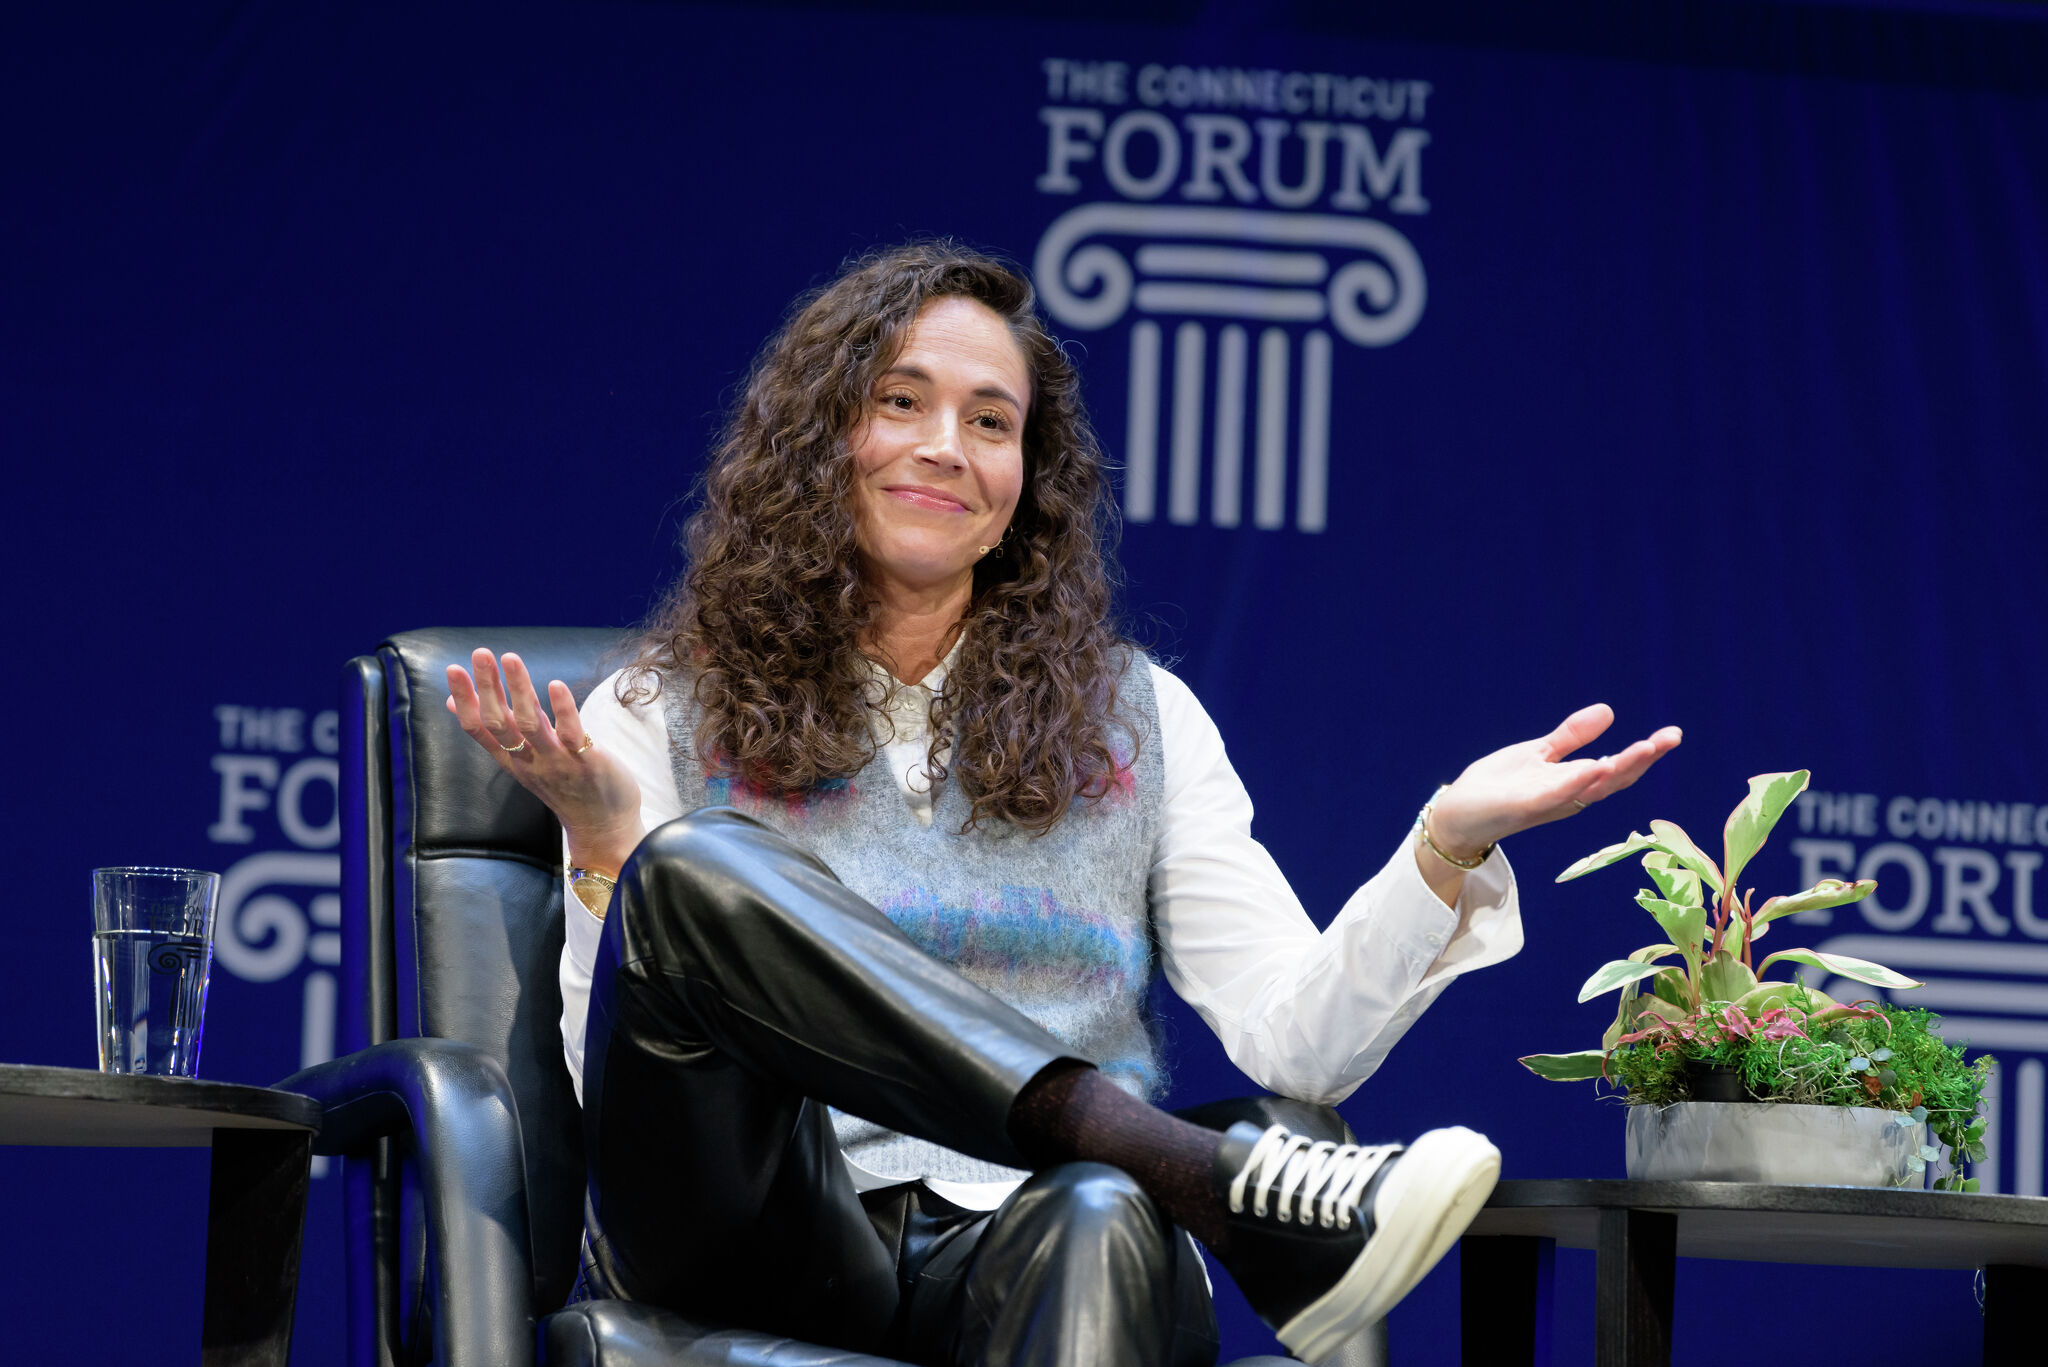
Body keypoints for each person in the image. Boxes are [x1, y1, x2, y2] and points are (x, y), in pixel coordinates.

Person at [444, 241, 1680, 1367]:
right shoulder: (653, 707)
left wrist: (1441, 844)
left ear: (1024, 484)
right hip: (767, 1232)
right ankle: (1203, 1174)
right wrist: (608, 843)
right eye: (899, 401)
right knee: (692, 865)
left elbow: (1292, 1044)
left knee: (1100, 1211)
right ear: (819, 438)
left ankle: (1153, 1173)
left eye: (991, 421)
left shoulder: (1142, 719)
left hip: (1033, 1240)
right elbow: (612, 1086)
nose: (946, 445)